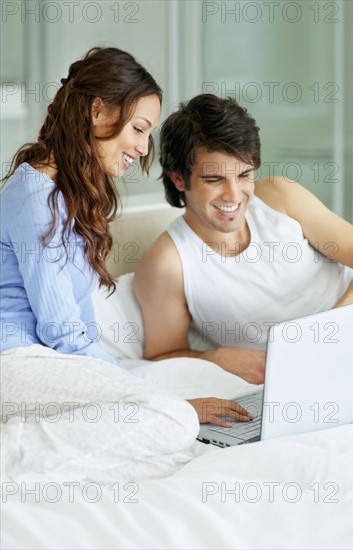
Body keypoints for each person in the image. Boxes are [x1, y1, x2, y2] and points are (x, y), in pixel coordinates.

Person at [0, 50, 249, 427]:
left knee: (164, 423)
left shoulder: (63, 194)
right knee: (169, 427)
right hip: (17, 363)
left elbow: (79, 327)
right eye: (139, 128)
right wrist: (162, 402)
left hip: (49, 362)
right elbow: (61, 332)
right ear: (96, 110)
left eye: (148, 133)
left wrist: (131, 386)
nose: (145, 147)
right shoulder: (37, 197)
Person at [134, 93, 353, 418]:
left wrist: (330, 334)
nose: (234, 195)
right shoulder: (168, 262)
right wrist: (216, 358)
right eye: (214, 179)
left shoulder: (279, 196)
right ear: (179, 178)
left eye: (243, 175)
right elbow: (160, 358)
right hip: (337, 372)